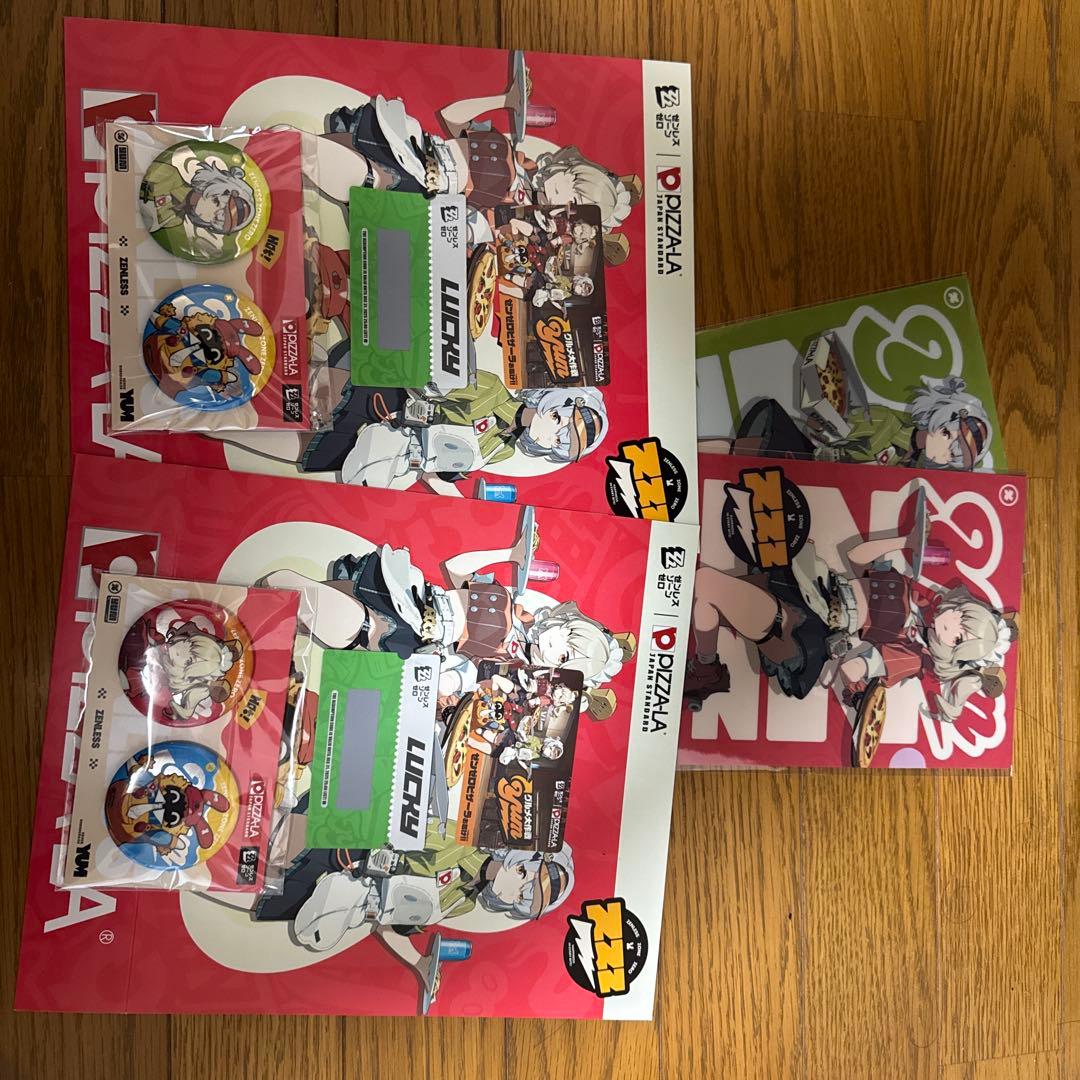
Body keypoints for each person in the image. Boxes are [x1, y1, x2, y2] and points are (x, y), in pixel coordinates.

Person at [684, 519, 1016, 723]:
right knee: (704, 600)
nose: (953, 625)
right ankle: (707, 669)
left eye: (959, 639)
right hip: (807, 584)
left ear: (955, 654)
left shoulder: (912, 654)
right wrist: (906, 541)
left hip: (804, 625)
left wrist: (859, 696)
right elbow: (857, 556)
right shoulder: (909, 590)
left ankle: (707, 671)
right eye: (962, 616)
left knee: (706, 585)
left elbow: (854, 669)